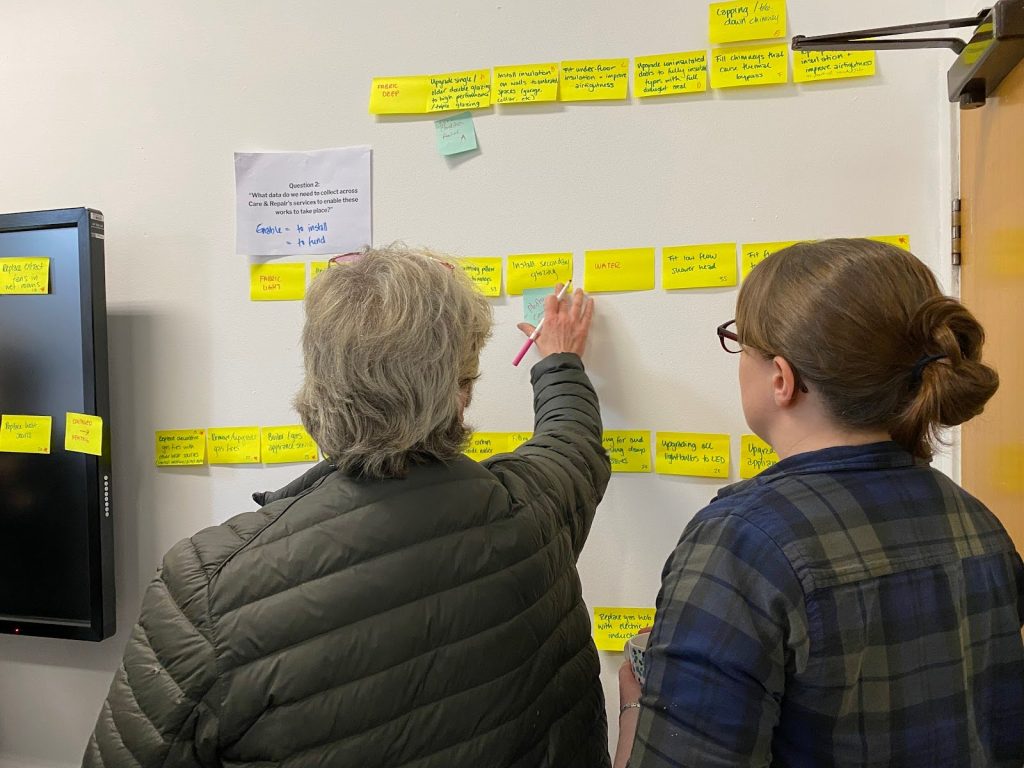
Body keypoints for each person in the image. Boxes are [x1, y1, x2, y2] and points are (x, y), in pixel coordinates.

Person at [84, 245, 611, 768]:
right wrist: (560, 361)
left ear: (319, 385)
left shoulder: (210, 589)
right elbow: (573, 441)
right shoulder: (534, 509)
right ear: (461, 390)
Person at [615, 238, 1024, 767]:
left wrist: (634, 704)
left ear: (782, 379)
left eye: (740, 343)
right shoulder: (978, 522)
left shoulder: (743, 541)